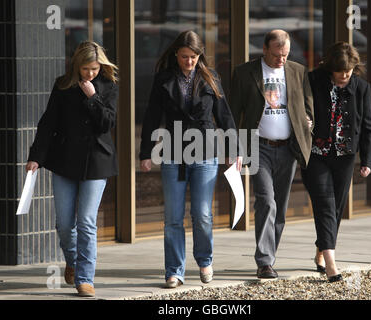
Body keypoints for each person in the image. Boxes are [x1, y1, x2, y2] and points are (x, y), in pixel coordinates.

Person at [139, 30, 242, 288]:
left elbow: (224, 114)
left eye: (194, 57)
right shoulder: (163, 79)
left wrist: (234, 148)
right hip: (173, 152)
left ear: (199, 56)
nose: (189, 62)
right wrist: (145, 153)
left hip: (205, 151)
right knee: (173, 216)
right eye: (185, 56)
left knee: (202, 214)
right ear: (176, 54)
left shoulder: (210, 77)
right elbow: (152, 116)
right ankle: (174, 271)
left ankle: (205, 261)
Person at [26, 41, 119, 297]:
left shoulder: (108, 86)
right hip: (65, 160)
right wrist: (36, 156)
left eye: (95, 68)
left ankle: (85, 278)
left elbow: (107, 123)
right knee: (65, 224)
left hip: (97, 161)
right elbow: (48, 123)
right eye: (86, 68)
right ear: (76, 65)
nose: (91, 73)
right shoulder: (62, 85)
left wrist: (93, 96)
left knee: (86, 222)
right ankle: (74, 260)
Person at [230, 30, 314, 279]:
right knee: (266, 201)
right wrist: (233, 148)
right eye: (277, 54)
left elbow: (308, 105)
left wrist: (309, 121)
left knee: (281, 206)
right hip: (258, 147)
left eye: (285, 55)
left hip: (288, 148)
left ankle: (269, 257)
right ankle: (264, 261)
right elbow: (234, 112)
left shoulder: (298, 72)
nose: (281, 60)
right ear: (264, 49)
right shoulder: (245, 73)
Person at [301, 41, 371, 282]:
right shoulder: (314, 80)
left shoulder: (362, 88)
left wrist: (367, 159)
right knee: (324, 203)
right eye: (340, 71)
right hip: (316, 155)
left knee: (335, 208)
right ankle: (332, 264)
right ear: (330, 68)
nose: (344, 75)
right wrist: (306, 119)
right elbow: (301, 106)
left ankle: (321, 249)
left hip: (345, 156)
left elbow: (368, 126)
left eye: (349, 71)